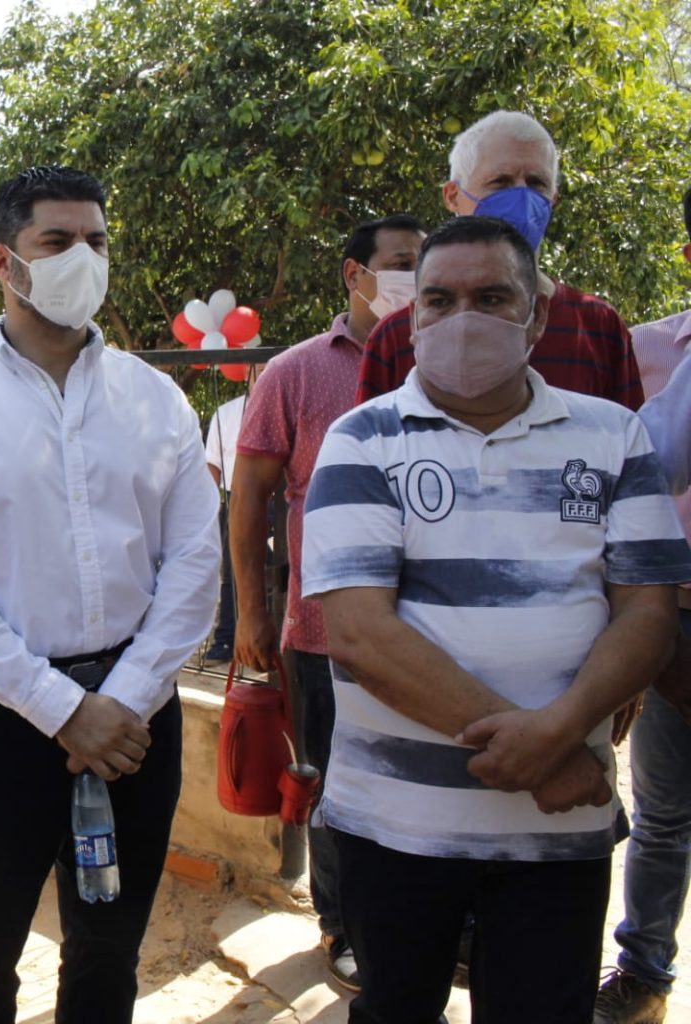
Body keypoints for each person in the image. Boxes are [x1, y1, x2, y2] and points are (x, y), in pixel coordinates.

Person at [302, 215, 690, 1023]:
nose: (462, 318)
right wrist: (547, 755)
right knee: (396, 1010)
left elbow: (648, 611)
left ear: (536, 314)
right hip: (396, 827)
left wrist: (559, 734)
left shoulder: (613, 435)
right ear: (414, 318)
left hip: (558, 831)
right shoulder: (362, 440)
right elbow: (362, 636)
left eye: (491, 297)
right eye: (439, 300)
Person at [0, 166, 221, 1024]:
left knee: (108, 957)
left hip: (134, 721)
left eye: (96, 242)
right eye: (58, 240)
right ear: (3, 260)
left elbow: (193, 566)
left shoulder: (157, 401)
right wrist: (63, 710)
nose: (84, 258)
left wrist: (122, 700)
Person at [231, 213, 425, 990]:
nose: (416, 278)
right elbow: (249, 497)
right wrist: (253, 613)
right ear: (355, 274)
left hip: (434, 627)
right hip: (325, 632)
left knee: (426, 781)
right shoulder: (296, 373)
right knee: (338, 787)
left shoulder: (446, 365)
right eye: (402, 263)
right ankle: (341, 923)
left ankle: (429, 920)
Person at [356, 111, 641, 411]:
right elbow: (369, 435)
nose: (521, 197)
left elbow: (626, 434)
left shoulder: (598, 327)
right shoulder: (397, 337)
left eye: (536, 183)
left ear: (553, 199)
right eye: (500, 182)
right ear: (452, 196)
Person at [595, 185, 691, 1024]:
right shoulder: (648, 351)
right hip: (676, 619)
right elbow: (642, 468)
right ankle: (645, 975)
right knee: (664, 814)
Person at [201, 393, 247, 666]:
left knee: (278, 573)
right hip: (235, 496)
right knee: (232, 571)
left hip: (280, 495)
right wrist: (208, 510)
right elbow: (213, 464)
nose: (261, 374)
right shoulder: (228, 412)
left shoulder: (285, 400)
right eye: (257, 371)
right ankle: (227, 639)